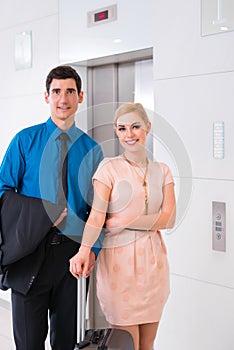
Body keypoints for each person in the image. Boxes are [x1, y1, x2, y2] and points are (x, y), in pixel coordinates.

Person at [0, 65, 103, 350]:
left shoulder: (92, 150)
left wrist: (92, 250)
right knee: (29, 344)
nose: (63, 98)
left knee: (67, 343)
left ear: (80, 96)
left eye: (70, 91)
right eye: (56, 91)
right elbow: (2, 192)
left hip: (73, 255)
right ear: (46, 97)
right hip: (28, 254)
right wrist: (45, 211)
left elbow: (100, 208)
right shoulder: (25, 141)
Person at [70, 102, 176, 350]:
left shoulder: (162, 171)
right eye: (122, 128)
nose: (129, 134)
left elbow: (169, 218)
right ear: (116, 132)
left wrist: (123, 221)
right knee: (126, 344)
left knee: (147, 346)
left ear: (147, 128)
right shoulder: (109, 168)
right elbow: (97, 217)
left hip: (154, 266)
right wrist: (84, 250)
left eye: (136, 127)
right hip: (120, 268)